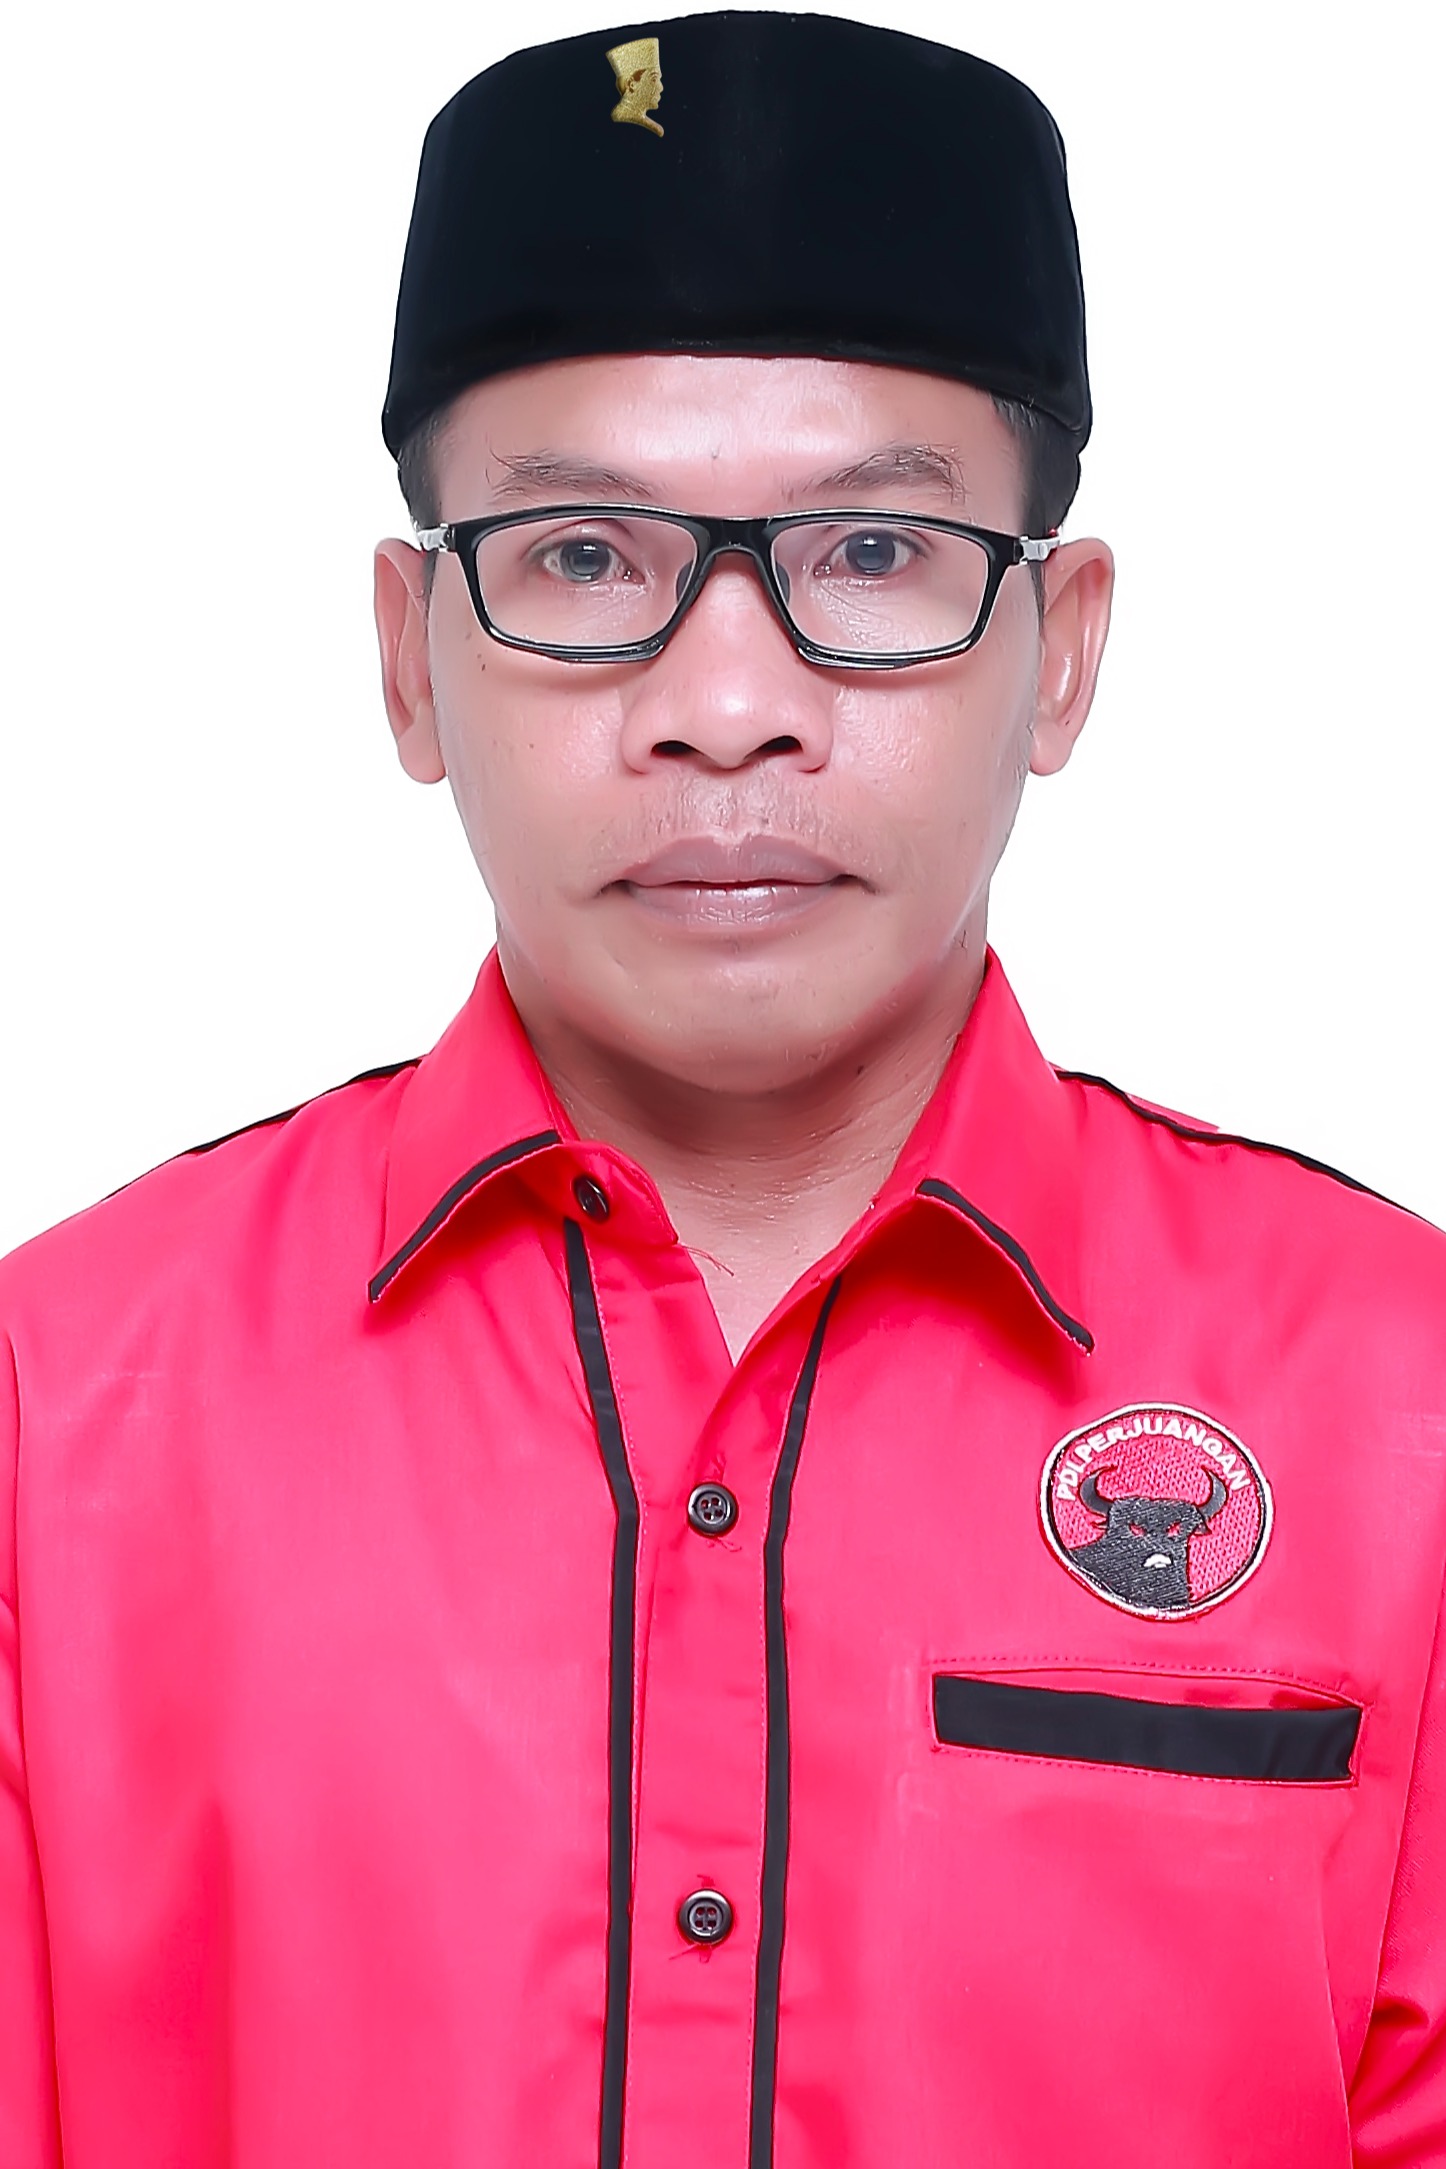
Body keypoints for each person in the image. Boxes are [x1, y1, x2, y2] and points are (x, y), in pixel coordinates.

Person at [2, 12, 1444, 2167]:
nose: (730, 703)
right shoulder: (55, 1417)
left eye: (869, 553)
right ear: (408, 654)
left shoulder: (1403, 1405)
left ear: (1062, 651)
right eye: (585, 556)